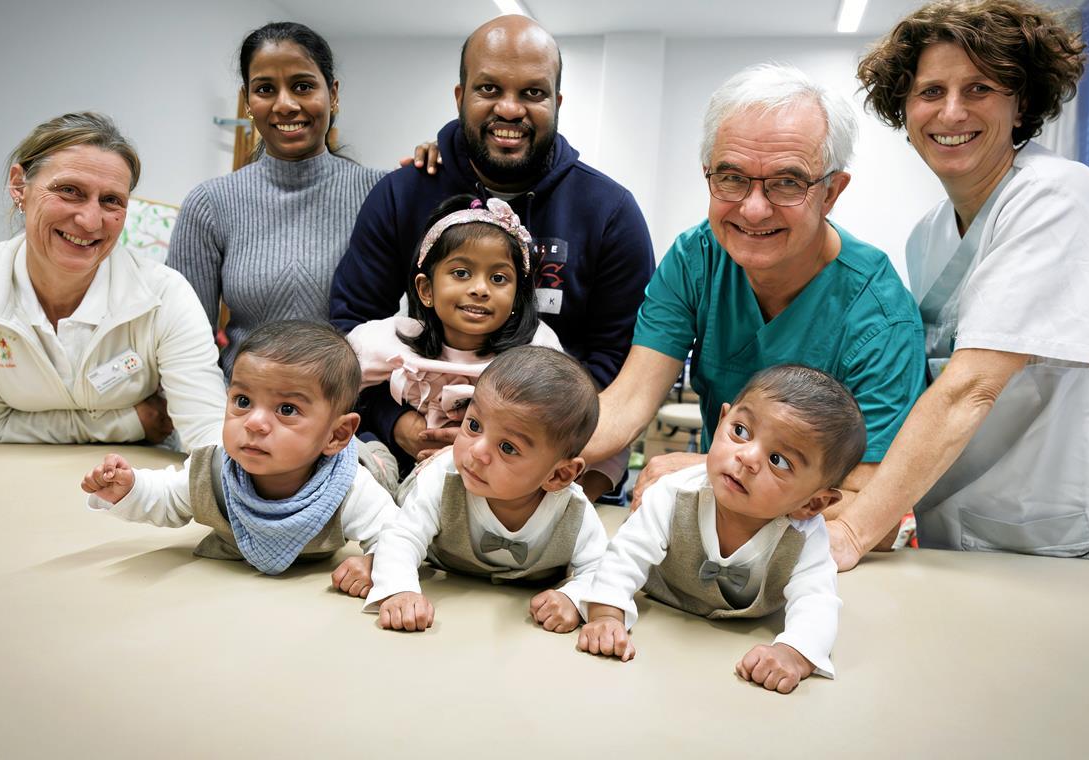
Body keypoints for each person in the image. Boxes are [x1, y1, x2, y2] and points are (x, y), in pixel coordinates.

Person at [584, 64, 926, 526]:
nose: (753, 208)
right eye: (732, 178)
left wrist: (706, 473)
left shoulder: (879, 316)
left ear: (831, 192)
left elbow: (874, 501)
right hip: (715, 531)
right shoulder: (695, 258)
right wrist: (512, 442)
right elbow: (625, 407)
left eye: (787, 183)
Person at [329, 15, 654, 496]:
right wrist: (397, 421)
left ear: (557, 104)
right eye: (488, 88)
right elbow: (348, 332)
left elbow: (619, 357)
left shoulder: (610, 211)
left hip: (551, 457)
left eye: (533, 93)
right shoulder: (403, 195)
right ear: (460, 97)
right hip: (412, 453)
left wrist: (514, 433)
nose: (509, 108)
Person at [831, 0, 1089, 566]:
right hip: (955, 529)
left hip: (1047, 537)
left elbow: (971, 387)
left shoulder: (1057, 198)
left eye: (979, 88)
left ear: (1022, 102)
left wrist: (856, 530)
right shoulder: (927, 234)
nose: (951, 112)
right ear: (904, 109)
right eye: (930, 92)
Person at [577, 365, 862, 695]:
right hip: (660, 610)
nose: (748, 457)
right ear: (722, 420)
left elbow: (818, 601)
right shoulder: (674, 492)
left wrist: (793, 653)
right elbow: (625, 554)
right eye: (740, 430)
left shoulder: (805, 534)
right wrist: (607, 614)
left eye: (779, 460)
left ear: (812, 503)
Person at [0, 112, 224, 447]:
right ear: (19, 187)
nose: (89, 221)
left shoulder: (165, 296)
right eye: (69, 190)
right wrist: (132, 421)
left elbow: (208, 434)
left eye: (111, 200)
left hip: (135, 485)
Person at [81, 321, 399, 585]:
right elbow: (168, 497)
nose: (255, 423)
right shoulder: (215, 469)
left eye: (287, 409)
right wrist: (128, 487)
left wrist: (375, 564)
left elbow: (396, 533)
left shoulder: (349, 485)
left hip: (367, 459)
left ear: (336, 434)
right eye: (243, 401)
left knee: (385, 471)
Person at [166, 22, 387, 377]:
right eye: (266, 89)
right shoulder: (209, 205)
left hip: (357, 417)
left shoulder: (383, 194)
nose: (284, 104)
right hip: (246, 416)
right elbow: (183, 347)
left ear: (332, 94)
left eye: (302, 86)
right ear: (249, 102)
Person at [363, 346, 608, 634]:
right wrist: (399, 589)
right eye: (474, 425)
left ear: (558, 475)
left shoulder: (572, 512)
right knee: (380, 493)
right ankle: (375, 457)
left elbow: (604, 571)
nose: (477, 451)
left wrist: (573, 598)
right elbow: (402, 535)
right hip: (413, 483)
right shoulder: (443, 481)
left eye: (507, 447)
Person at [347, 194, 562, 434]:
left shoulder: (537, 352)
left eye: (498, 278)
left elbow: (559, 423)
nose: (480, 289)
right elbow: (332, 391)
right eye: (461, 273)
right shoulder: (385, 342)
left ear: (516, 296)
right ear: (426, 290)